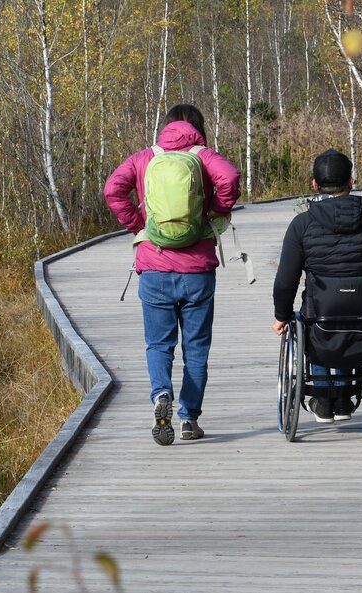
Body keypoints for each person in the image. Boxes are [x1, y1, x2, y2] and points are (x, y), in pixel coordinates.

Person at [104, 104, 240, 445]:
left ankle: (160, 395)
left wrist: (138, 225)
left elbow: (112, 190)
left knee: (158, 344)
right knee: (196, 347)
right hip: (197, 269)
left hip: (154, 265)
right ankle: (189, 419)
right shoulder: (204, 156)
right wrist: (217, 211)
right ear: (198, 127)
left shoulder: (144, 157)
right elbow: (231, 179)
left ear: (166, 126)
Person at [271, 149, 362, 423]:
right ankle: (342, 397)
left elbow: (285, 280)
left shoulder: (302, 224)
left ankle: (325, 399)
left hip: (319, 320)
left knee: (313, 316)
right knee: (347, 310)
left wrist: (282, 315)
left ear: (315, 185)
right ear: (351, 181)